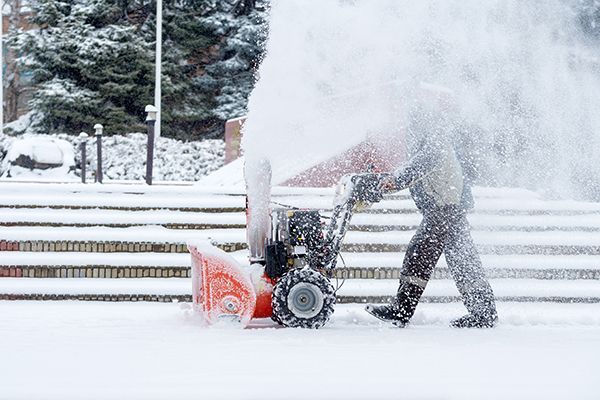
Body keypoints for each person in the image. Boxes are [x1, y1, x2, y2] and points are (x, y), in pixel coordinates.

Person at [365, 105, 498, 328]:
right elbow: (414, 168)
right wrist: (386, 179)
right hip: (450, 210)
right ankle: (484, 312)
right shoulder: (436, 143)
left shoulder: (434, 145)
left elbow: (414, 169)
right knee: (463, 261)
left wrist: (391, 182)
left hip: (444, 211)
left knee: (418, 255)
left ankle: (401, 310)